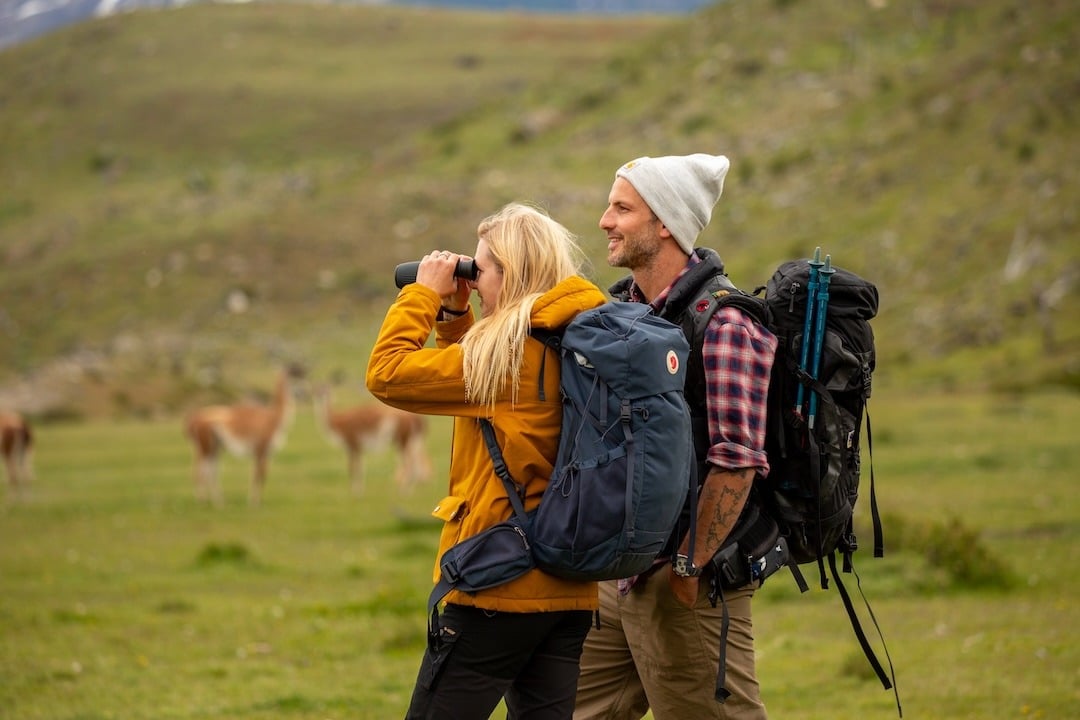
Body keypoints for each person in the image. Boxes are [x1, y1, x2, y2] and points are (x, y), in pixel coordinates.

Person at [366, 202, 608, 720]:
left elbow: (387, 373)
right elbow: (483, 404)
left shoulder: (514, 357)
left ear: (513, 272)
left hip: (497, 584)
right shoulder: (577, 335)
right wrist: (456, 317)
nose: (473, 281)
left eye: (482, 270)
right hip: (568, 589)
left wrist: (423, 294)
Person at [574, 154, 778, 720]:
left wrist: (688, 567)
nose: (604, 220)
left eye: (622, 208)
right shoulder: (622, 313)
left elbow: (737, 461)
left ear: (665, 223)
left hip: (685, 584)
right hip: (618, 577)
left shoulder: (728, 323)